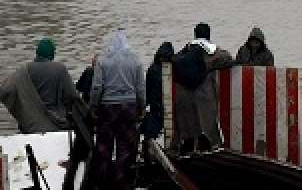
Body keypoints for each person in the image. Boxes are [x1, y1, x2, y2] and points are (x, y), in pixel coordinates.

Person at [89, 30, 146, 190]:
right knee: (125, 146)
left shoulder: (103, 61)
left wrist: (93, 107)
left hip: (107, 108)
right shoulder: (136, 61)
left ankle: (103, 181)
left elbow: (97, 87)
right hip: (129, 107)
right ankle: (122, 181)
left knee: (104, 146)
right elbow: (141, 87)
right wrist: (141, 106)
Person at [170, 23, 233, 154]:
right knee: (208, 128)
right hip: (203, 96)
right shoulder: (210, 50)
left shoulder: (185, 50)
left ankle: (185, 153)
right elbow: (228, 59)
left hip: (183, 96)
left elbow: (173, 62)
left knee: (189, 131)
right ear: (208, 35)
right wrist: (206, 66)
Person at [0, 37, 84, 133]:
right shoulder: (59, 69)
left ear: (37, 52)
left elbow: (5, 91)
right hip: (56, 123)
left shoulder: (24, 70)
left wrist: (20, 109)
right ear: (52, 54)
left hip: (30, 124)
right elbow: (73, 95)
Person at [142, 42, 174, 142]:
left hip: (156, 107)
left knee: (150, 134)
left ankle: (148, 148)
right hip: (169, 107)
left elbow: (147, 90)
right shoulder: (173, 67)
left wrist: (143, 106)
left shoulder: (152, 69)